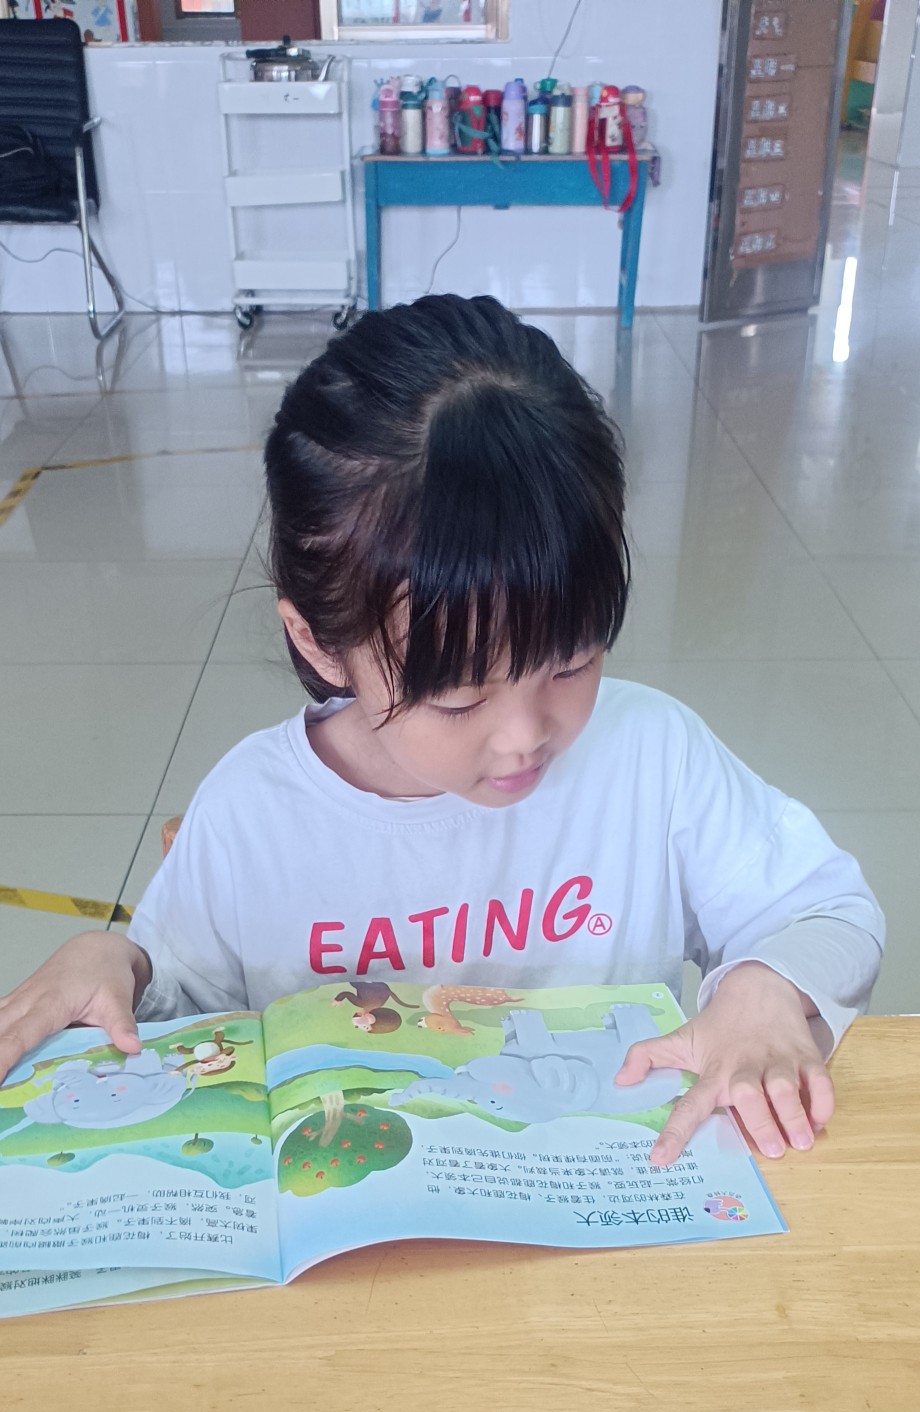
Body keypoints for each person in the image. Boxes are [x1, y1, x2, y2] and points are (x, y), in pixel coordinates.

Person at [0, 295, 883, 1167]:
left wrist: (769, 987)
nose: (524, 735)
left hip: (605, 1193)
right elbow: (173, 1023)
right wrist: (114, 961)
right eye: (459, 699)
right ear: (321, 641)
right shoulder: (248, 816)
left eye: (571, 661)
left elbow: (830, 912)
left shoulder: (655, 757)